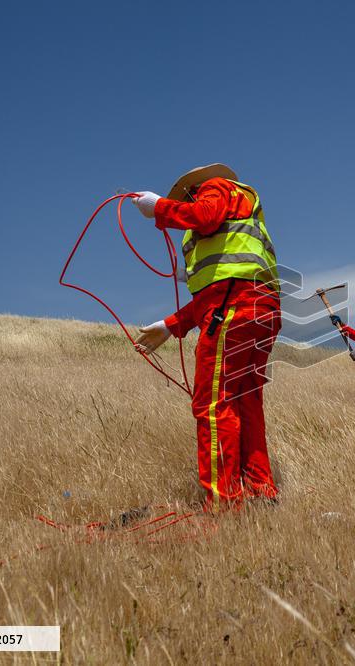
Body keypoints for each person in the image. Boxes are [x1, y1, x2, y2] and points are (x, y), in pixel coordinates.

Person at [130, 164, 280, 512]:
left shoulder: (215, 188)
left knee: (213, 405)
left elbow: (205, 217)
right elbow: (220, 290)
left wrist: (158, 208)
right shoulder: (240, 216)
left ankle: (223, 502)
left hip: (234, 307)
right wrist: (171, 325)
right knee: (245, 401)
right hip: (260, 309)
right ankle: (260, 491)